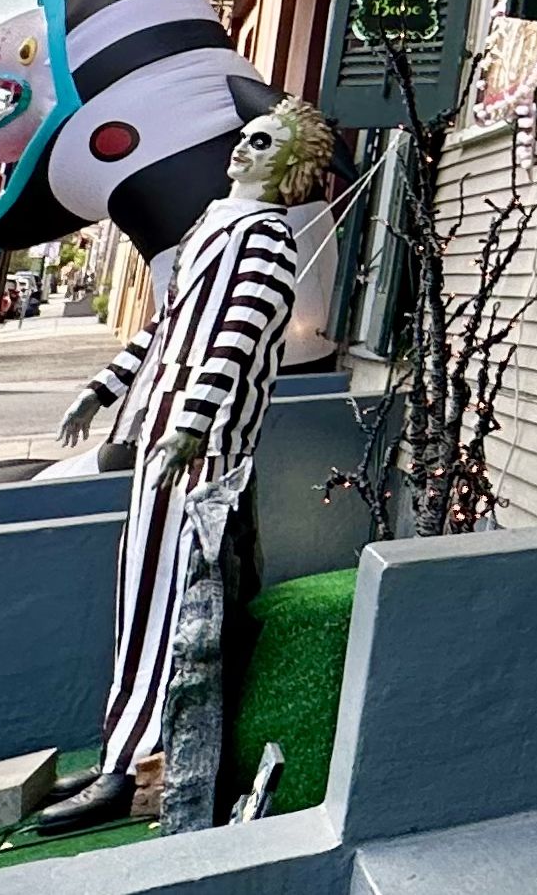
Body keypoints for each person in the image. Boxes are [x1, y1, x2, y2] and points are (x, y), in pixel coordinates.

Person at [29, 100, 327, 835]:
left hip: (205, 446)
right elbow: (168, 326)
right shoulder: (212, 226)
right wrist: (104, 386)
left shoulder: (265, 239)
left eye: (262, 143)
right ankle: (121, 754)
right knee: (140, 596)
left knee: (173, 603)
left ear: (288, 164)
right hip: (162, 425)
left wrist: (195, 424)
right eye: (246, 138)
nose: (243, 149)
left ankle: (147, 763)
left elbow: (239, 333)